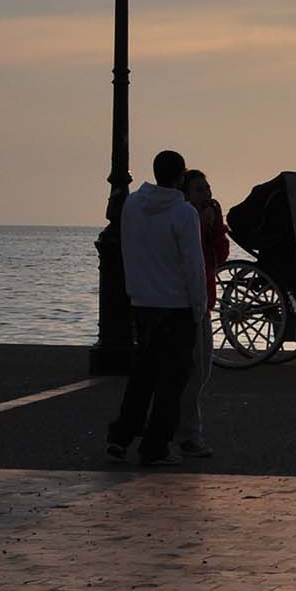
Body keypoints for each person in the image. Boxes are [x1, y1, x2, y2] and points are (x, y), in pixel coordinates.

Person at [105, 150, 207, 467]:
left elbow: (127, 246)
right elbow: (194, 264)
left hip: (143, 302)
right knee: (171, 383)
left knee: (142, 377)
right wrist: (198, 305)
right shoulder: (184, 213)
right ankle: (155, 446)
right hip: (175, 305)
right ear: (180, 177)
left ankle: (120, 437)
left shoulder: (133, 204)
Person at [175, 169, 229, 459]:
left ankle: (182, 429)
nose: (206, 193)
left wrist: (215, 227)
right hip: (189, 304)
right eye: (199, 189)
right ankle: (189, 434)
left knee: (202, 371)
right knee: (194, 372)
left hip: (204, 302)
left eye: (207, 188)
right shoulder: (183, 220)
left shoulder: (206, 219)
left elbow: (217, 257)